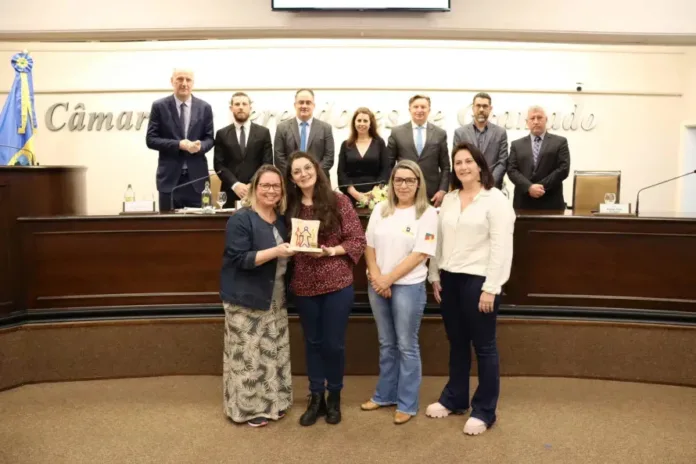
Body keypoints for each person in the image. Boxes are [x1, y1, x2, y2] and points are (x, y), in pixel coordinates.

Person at [426, 141, 515, 436]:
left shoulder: (495, 200)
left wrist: (492, 287)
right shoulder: (449, 199)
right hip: (450, 279)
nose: (463, 167)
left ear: (479, 165)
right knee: (457, 343)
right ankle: (455, 398)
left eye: (468, 161)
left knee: (485, 346)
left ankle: (485, 410)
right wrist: (435, 274)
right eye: (458, 162)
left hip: (480, 281)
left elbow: (502, 247)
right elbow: (438, 240)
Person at [284, 151, 366, 427]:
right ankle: (315, 396)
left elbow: (357, 239)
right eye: (297, 171)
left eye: (307, 167)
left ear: (316, 169)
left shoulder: (338, 200)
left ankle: (335, 397)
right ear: (292, 178)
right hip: (304, 284)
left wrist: (331, 251)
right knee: (313, 343)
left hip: (336, 283)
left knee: (333, 344)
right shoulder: (289, 205)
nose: (303, 173)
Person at [361, 160, 438, 425]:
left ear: (418, 183)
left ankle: (407, 403)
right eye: (398, 180)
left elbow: (421, 254)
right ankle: (385, 395)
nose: (403, 185)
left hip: (408, 287)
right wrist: (376, 276)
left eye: (409, 180)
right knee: (386, 343)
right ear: (392, 183)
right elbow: (368, 245)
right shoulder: (381, 209)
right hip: (378, 285)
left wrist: (388, 279)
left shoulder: (427, 213)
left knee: (406, 345)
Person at [219, 164, 295, 428]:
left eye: (276, 186)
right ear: (254, 189)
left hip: (275, 298)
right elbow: (239, 258)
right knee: (249, 358)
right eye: (265, 185)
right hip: (245, 299)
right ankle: (249, 410)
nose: (271, 191)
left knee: (272, 353)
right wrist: (276, 252)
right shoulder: (242, 218)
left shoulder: (282, 219)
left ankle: (275, 402)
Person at [145, 68, 214, 211]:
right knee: (167, 229)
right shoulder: (159, 106)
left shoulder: (205, 107)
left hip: (197, 180)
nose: (184, 83)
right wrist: (179, 145)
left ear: (193, 83)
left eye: (188, 80)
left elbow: (210, 139)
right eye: (180, 79)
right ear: (172, 81)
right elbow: (151, 139)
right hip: (169, 180)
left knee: (198, 229)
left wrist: (200, 146)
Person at [387, 94, 450, 207]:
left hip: (432, 194)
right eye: (416, 107)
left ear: (429, 110)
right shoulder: (397, 133)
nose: (419, 110)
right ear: (410, 109)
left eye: (423, 107)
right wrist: (391, 189)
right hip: (403, 191)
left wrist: (443, 190)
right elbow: (389, 164)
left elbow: (445, 167)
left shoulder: (440, 134)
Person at [213, 92, 273, 207]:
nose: (241, 107)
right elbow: (219, 165)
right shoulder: (222, 134)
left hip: (257, 191)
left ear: (250, 107)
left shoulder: (263, 133)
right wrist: (235, 185)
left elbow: (267, 163)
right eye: (237, 104)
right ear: (231, 108)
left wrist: (252, 184)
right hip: (230, 192)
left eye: (244, 104)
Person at [507, 105, 571, 210]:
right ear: (527, 122)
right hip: (523, 202)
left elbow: (563, 169)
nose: (536, 121)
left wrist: (540, 187)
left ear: (546, 120)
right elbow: (511, 170)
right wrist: (529, 187)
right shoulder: (516, 145)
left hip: (551, 202)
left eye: (539, 118)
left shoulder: (560, 142)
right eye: (532, 118)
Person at [274, 89, 335, 181]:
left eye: (308, 102)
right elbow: (279, 157)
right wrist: (294, 175)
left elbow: (329, 157)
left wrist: (313, 175)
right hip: (290, 182)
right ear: (295, 105)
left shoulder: (326, 128)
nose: (304, 106)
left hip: (319, 181)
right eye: (301, 102)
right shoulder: (282, 128)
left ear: (313, 105)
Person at [337, 107, 391, 206]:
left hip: (376, 196)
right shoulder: (345, 145)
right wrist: (356, 194)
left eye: (365, 121)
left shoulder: (379, 143)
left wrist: (375, 192)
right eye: (359, 120)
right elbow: (341, 172)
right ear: (354, 123)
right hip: (351, 196)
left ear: (370, 124)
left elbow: (385, 169)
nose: (362, 123)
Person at [453, 92, 509, 189]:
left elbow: (502, 162)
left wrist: (490, 183)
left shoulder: (500, 133)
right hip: (467, 187)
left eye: (485, 106)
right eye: (478, 106)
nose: (481, 109)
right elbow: (457, 161)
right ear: (473, 108)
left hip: (492, 188)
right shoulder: (460, 133)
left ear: (490, 108)